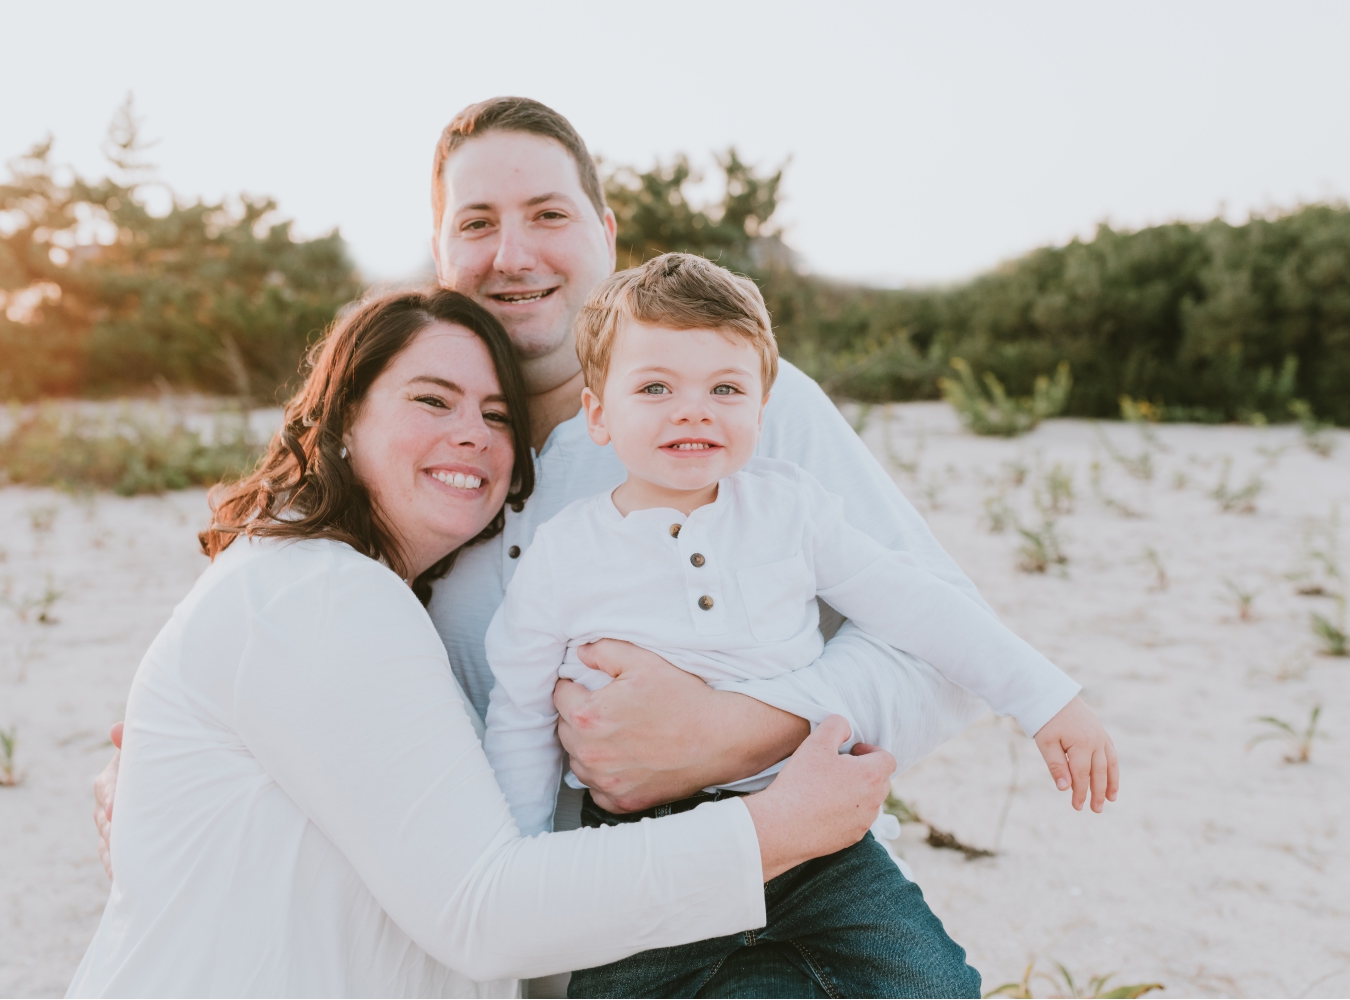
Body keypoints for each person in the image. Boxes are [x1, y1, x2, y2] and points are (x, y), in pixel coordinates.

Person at [94, 96, 1119, 994]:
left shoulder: (734, 407)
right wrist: (199, 776)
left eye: (548, 213)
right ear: (441, 250)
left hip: (785, 892)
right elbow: (375, 703)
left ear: (605, 230)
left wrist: (737, 730)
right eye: (478, 222)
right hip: (556, 947)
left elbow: (937, 645)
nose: (515, 251)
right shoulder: (442, 479)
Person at [67, 288, 894, 998]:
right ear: (343, 417)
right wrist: (770, 830)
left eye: (497, 415)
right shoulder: (319, 590)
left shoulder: (360, 596)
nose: (472, 432)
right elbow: (482, 908)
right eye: (432, 400)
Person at [483, 253, 1116, 997]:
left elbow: (917, 605)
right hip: (650, 853)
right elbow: (519, 711)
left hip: (817, 830)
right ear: (599, 413)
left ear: (762, 405)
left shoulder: (793, 510)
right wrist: (521, 871)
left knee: (933, 982)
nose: (694, 409)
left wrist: (1042, 696)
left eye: (725, 388)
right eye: (655, 388)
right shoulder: (567, 551)